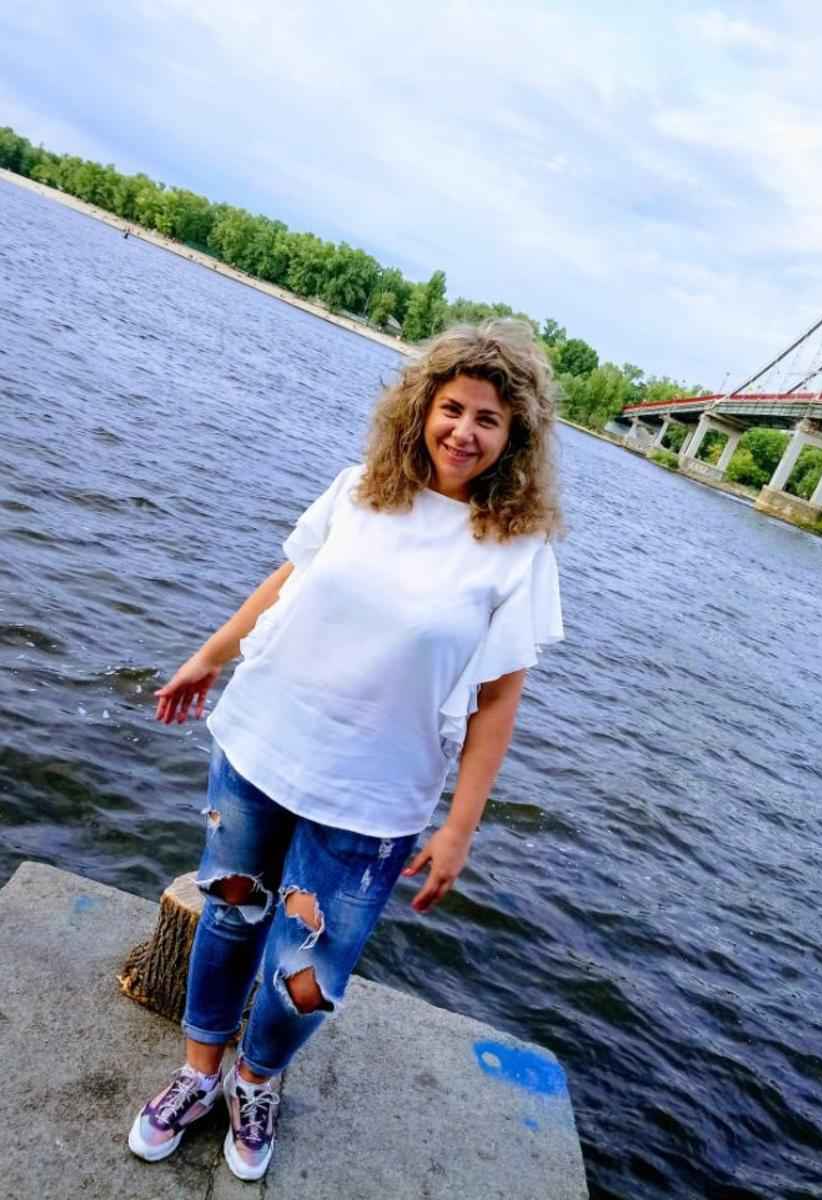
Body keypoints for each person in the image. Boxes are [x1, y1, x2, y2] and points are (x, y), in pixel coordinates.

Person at [127, 319, 565, 1181]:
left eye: (488, 419)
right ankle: (199, 1073)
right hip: (262, 746)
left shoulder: (518, 550)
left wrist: (459, 829)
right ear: (422, 408)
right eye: (452, 408)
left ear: (515, 438)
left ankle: (257, 1082)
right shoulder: (361, 489)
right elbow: (286, 581)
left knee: (311, 967)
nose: (464, 432)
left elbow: (498, 699)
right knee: (229, 916)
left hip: (376, 795)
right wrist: (208, 657)